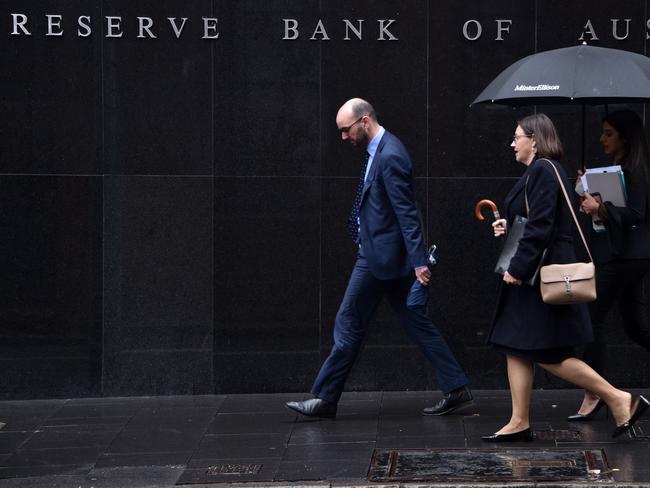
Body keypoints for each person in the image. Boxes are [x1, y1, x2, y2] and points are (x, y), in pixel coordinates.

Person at [286, 98, 472, 419]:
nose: (343, 137)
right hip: (387, 257)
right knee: (417, 323)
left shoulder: (391, 155)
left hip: (378, 260)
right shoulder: (380, 151)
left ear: (365, 121)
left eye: (346, 130)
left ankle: (325, 398)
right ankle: (457, 388)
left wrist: (419, 262)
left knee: (348, 322)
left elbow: (407, 213)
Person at [483, 113, 648, 442]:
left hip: (538, 276)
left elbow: (543, 227)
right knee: (513, 344)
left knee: (548, 353)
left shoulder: (544, 170)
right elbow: (533, 222)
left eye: (517, 137)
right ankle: (518, 421)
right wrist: (508, 227)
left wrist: (517, 268)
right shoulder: (539, 172)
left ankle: (618, 398)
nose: (513, 144)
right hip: (533, 274)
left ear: (534, 139)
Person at [570, 109, 650, 420]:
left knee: (592, 318)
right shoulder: (620, 168)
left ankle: (595, 393)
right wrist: (587, 191)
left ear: (624, 138)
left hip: (629, 258)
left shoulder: (635, 169)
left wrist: (599, 207)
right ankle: (596, 392)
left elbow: (635, 214)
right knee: (635, 327)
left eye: (608, 133)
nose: (602, 139)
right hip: (628, 256)